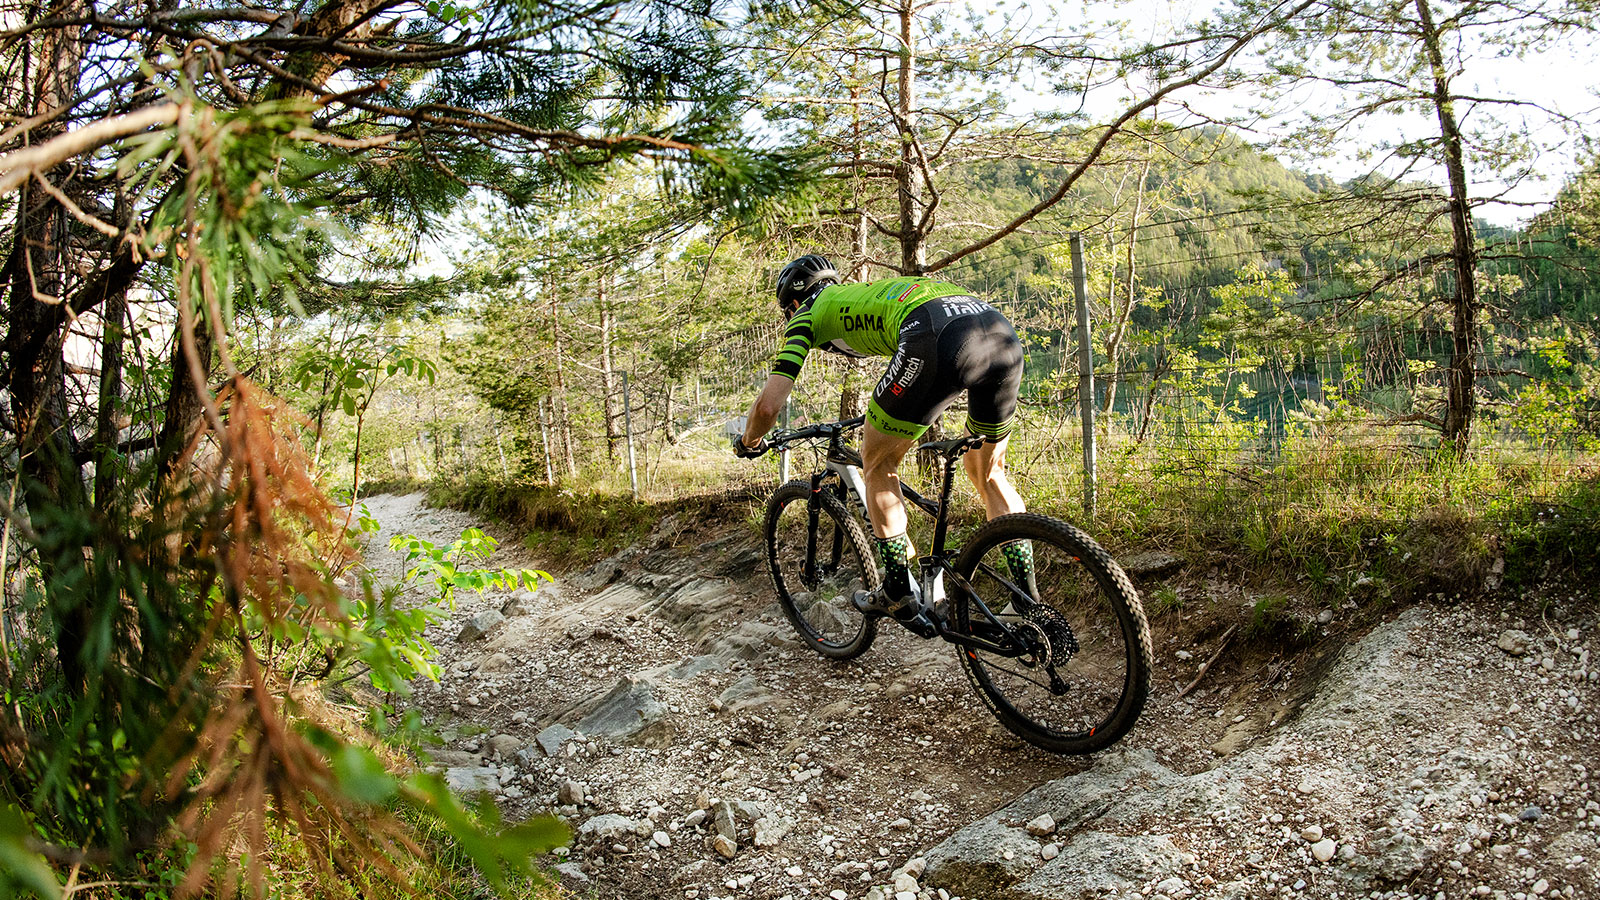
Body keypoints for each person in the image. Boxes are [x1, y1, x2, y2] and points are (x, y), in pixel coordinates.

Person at [732, 254, 1035, 631]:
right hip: (998, 330)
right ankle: (1026, 599)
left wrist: (749, 441)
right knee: (988, 473)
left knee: (877, 463)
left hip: (933, 335)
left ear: (793, 304)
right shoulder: (858, 293)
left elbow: (768, 405)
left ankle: (896, 590)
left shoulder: (806, 316)